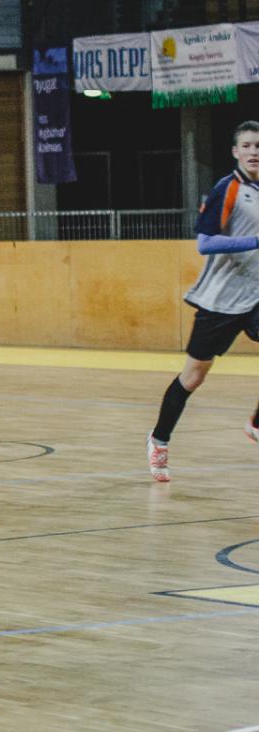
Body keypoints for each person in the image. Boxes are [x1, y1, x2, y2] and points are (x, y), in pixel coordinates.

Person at [147, 120, 259, 482]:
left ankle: (256, 424)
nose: (254, 151)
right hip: (220, 300)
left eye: (258, 146)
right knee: (193, 377)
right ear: (235, 152)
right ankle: (159, 440)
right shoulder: (227, 189)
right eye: (247, 145)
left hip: (256, 295)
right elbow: (205, 243)